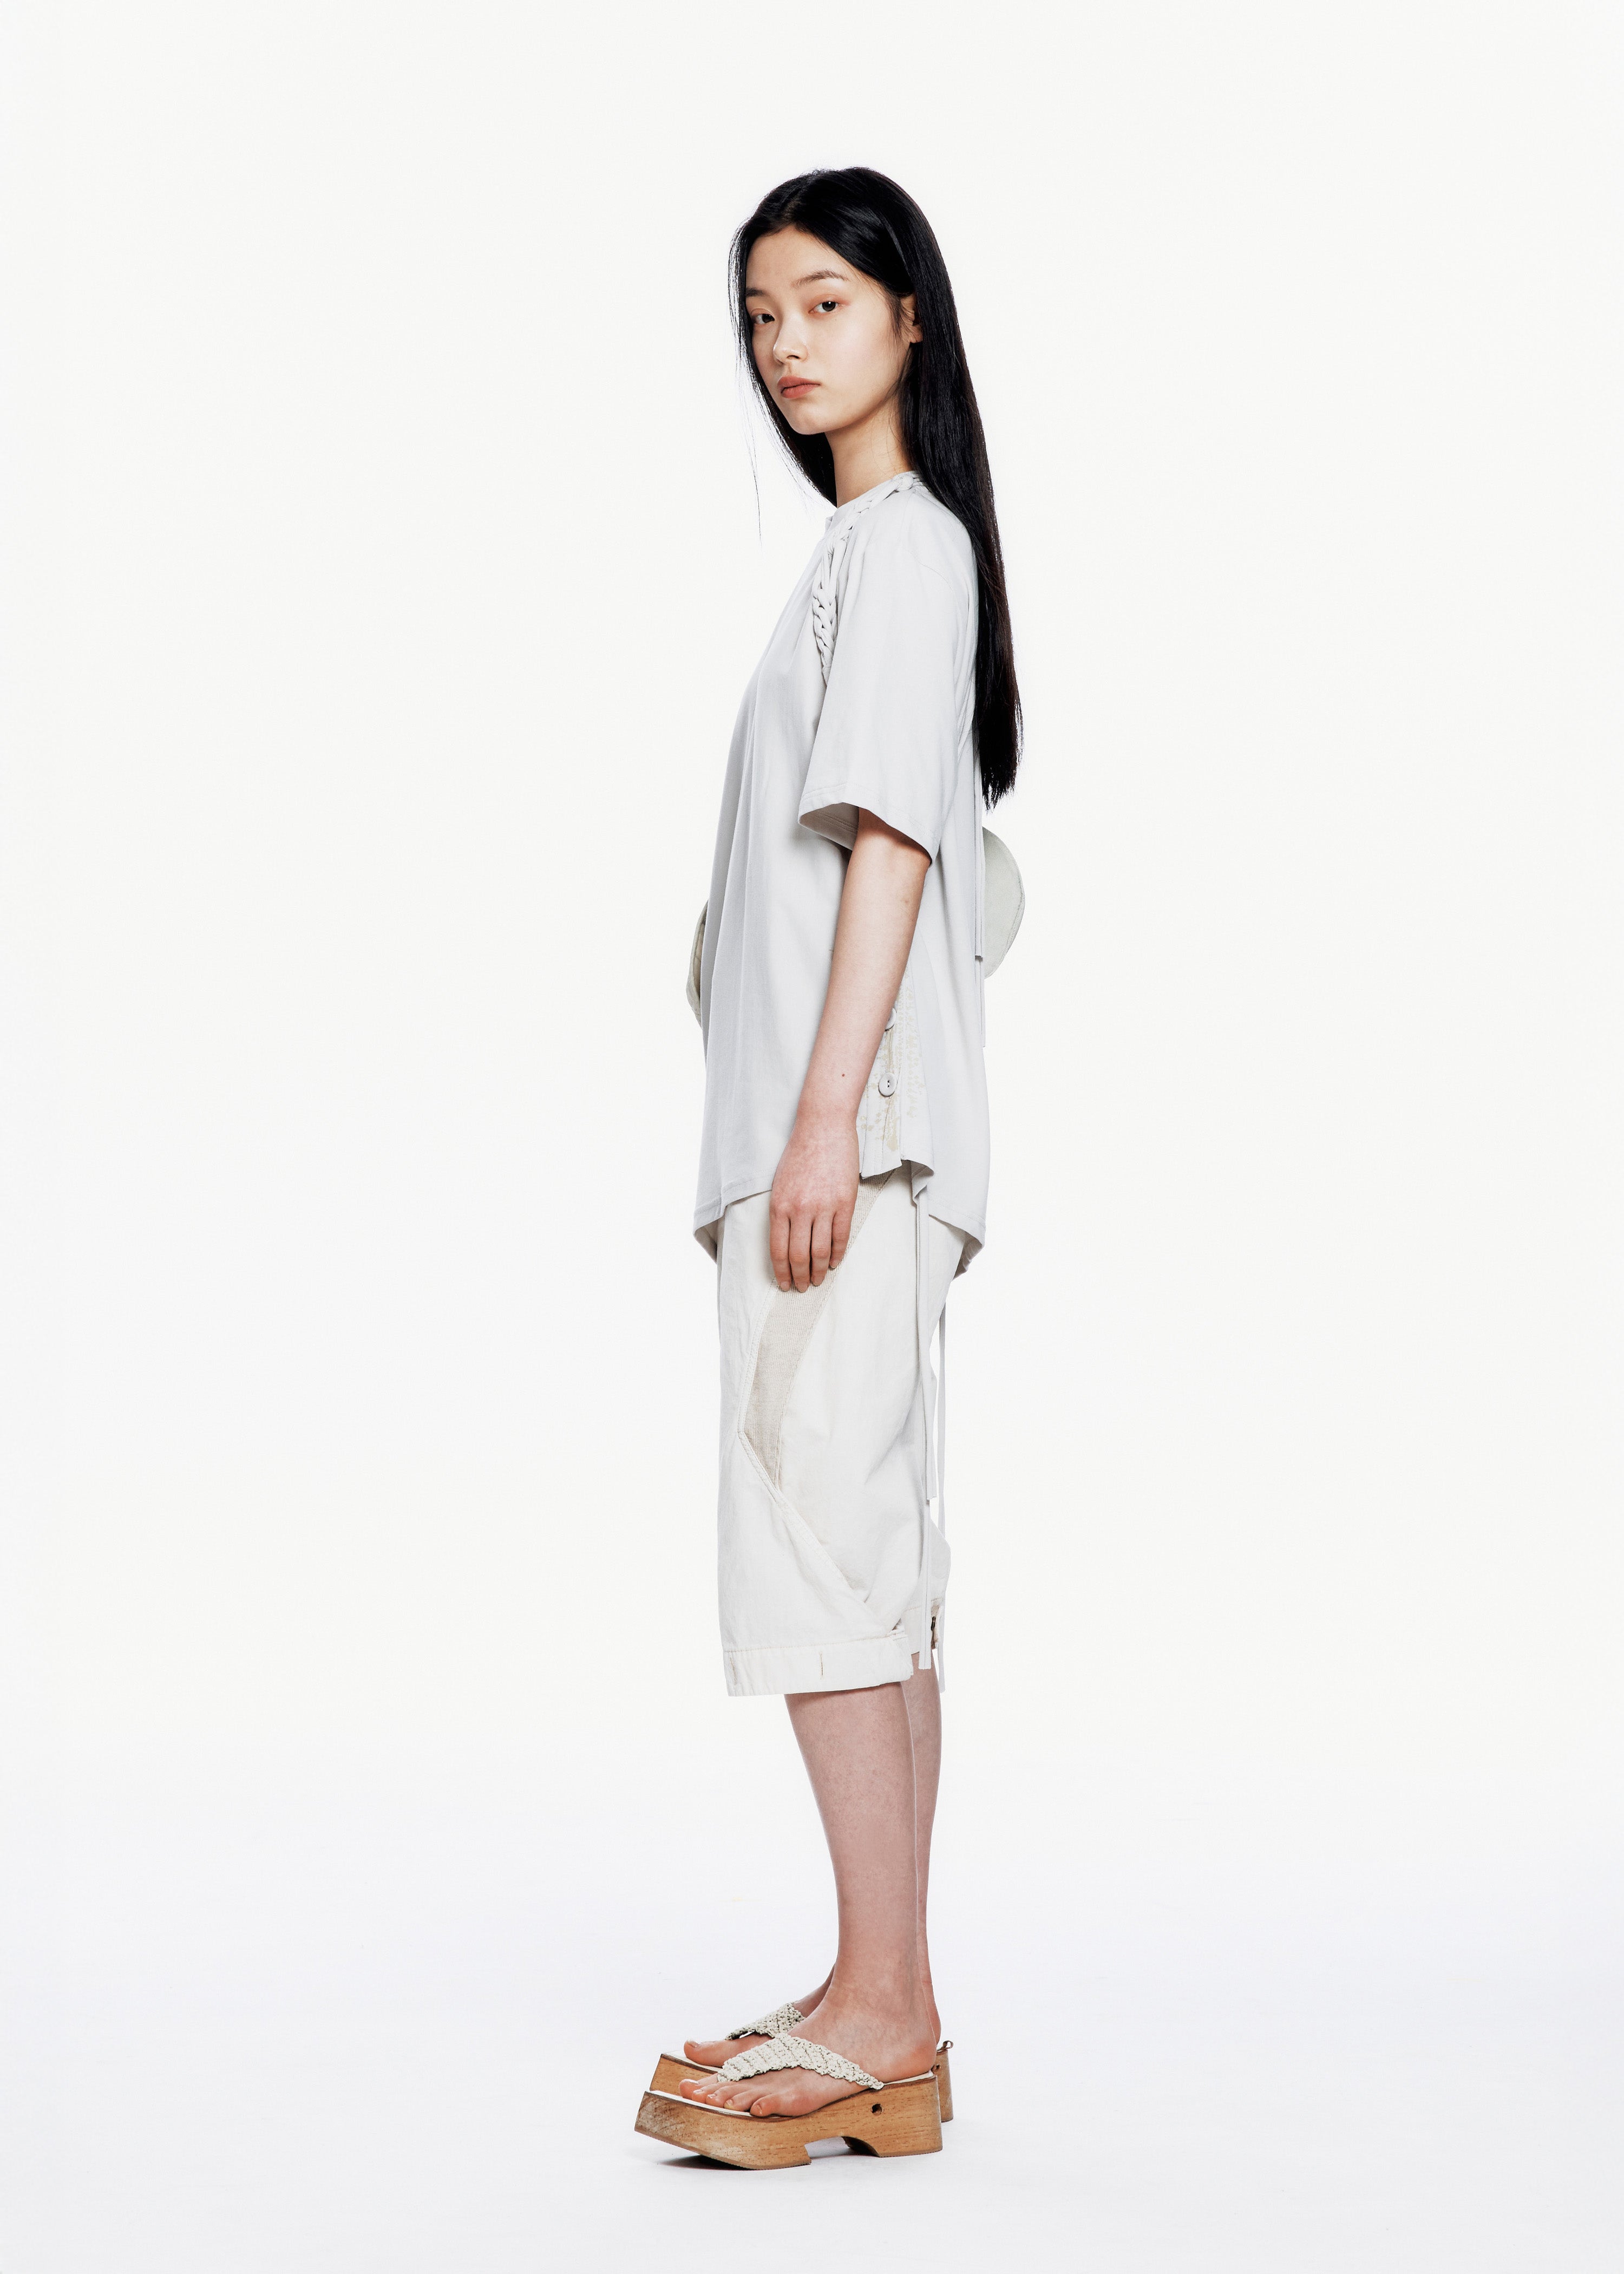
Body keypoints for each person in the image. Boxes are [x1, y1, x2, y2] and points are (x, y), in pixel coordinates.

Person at [659, 167, 1020, 2153]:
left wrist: (819, 1123)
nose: (785, 344)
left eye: (820, 302)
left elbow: (895, 842)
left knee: (821, 1549)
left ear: (906, 316)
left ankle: (880, 2013)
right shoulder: (875, 556)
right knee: (863, 1556)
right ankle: (890, 1999)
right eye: (761, 316)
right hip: (836, 1139)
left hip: (844, 1150)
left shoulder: (904, 550)